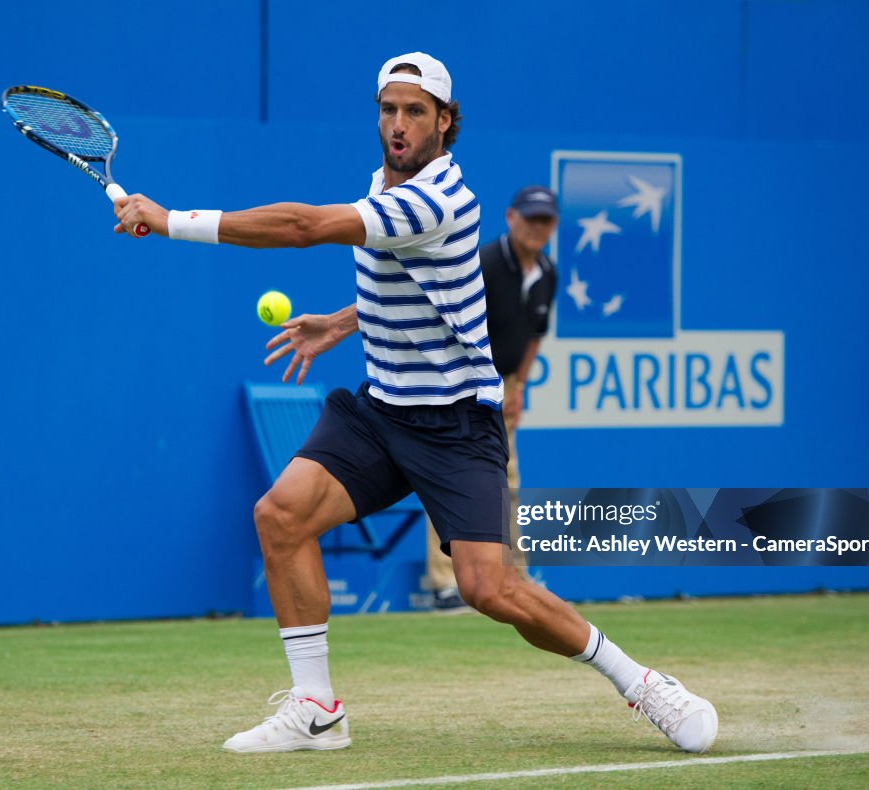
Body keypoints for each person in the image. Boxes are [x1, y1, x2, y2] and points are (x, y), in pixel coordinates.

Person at [112, 51, 718, 756]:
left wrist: (170, 218)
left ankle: (641, 682)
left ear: (444, 122)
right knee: (280, 516)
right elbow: (415, 281)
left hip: (457, 423)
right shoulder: (386, 182)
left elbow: (305, 227)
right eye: (388, 109)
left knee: (488, 590)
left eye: (415, 112)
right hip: (381, 411)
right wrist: (343, 320)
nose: (398, 125)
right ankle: (316, 708)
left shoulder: (437, 198)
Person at [427, 186, 559, 613]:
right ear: (510, 217)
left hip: (502, 388)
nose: (538, 227)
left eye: (546, 220)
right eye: (531, 218)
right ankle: (446, 584)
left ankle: (513, 577)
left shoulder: (547, 272)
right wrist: (484, 385)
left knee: (507, 481)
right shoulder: (481, 264)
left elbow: (535, 336)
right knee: (446, 479)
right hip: (460, 383)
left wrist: (518, 387)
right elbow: (450, 327)